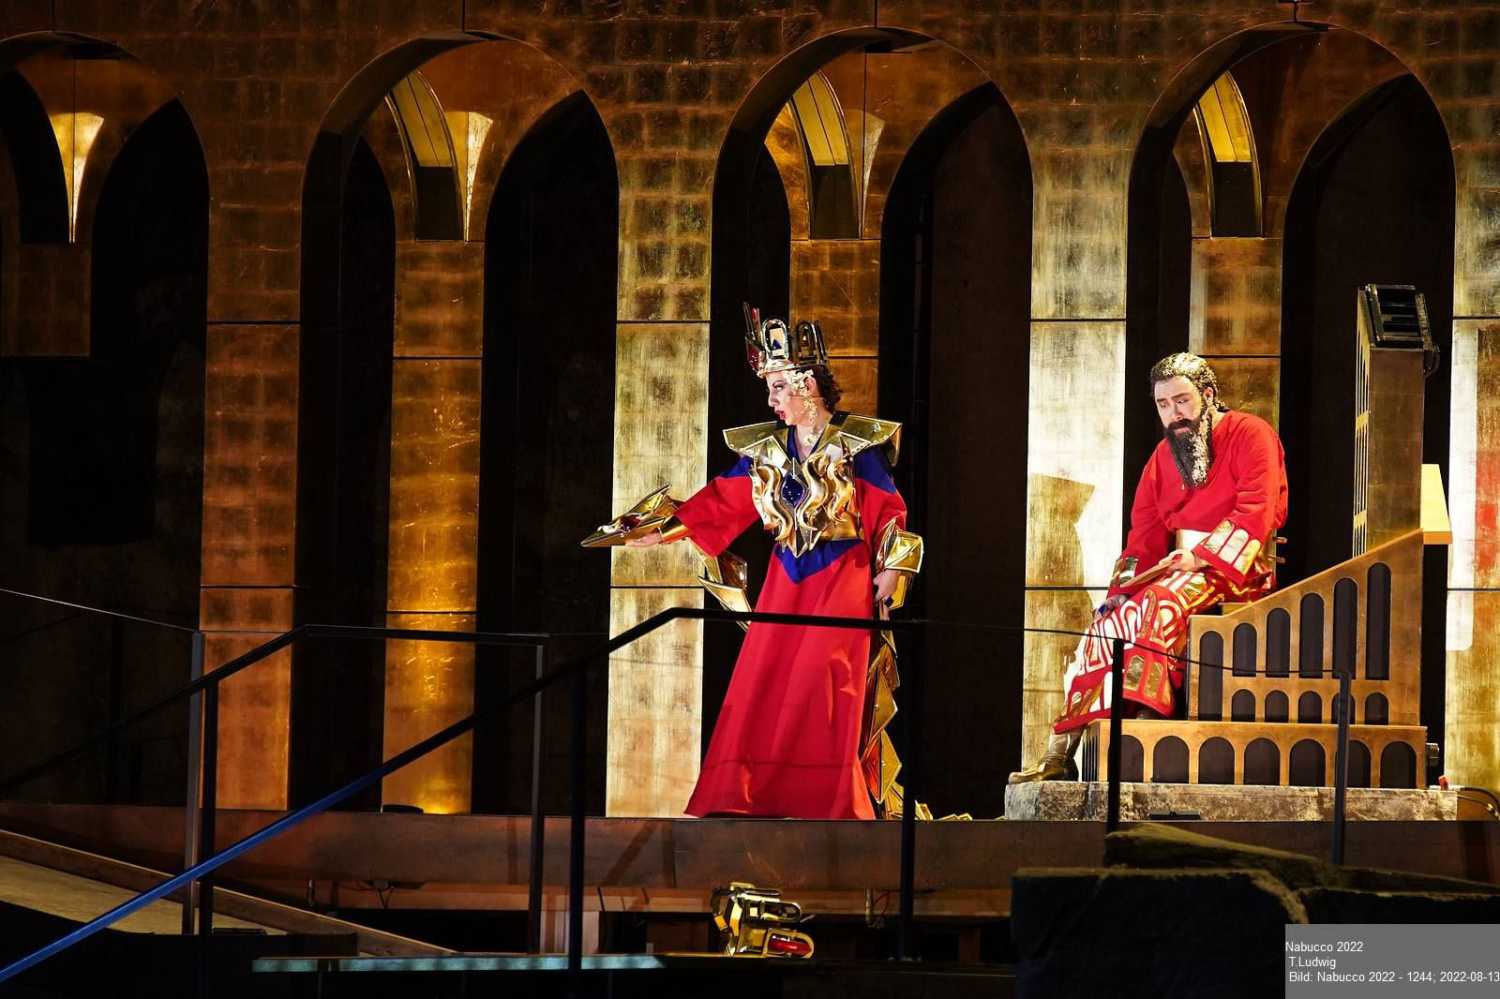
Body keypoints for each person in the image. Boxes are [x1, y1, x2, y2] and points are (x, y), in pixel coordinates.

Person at [628, 310, 922, 818]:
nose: (771, 399)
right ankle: (746, 795)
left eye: (779, 386)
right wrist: (663, 530)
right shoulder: (767, 449)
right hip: (787, 579)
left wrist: (892, 568)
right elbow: (722, 500)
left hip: (843, 579)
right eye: (770, 386)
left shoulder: (858, 444)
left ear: (808, 385)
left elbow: (890, 510)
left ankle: (828, 800)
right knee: (763, 681)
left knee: (826, 686)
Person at [1010, 352, 1288, 782]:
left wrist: (1201, 557)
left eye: (1182, 401)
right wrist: (1119, 592)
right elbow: (1144, 534)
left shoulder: (1252, 434)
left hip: (1236, 568)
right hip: (1178, 567)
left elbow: (1257, 508)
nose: (1174, 414)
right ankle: (1062, 750)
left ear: (1208, 395)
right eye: (1163, 405)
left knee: (1158, 604)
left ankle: (1140, 726)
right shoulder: (1162, 456)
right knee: (1106, 624)